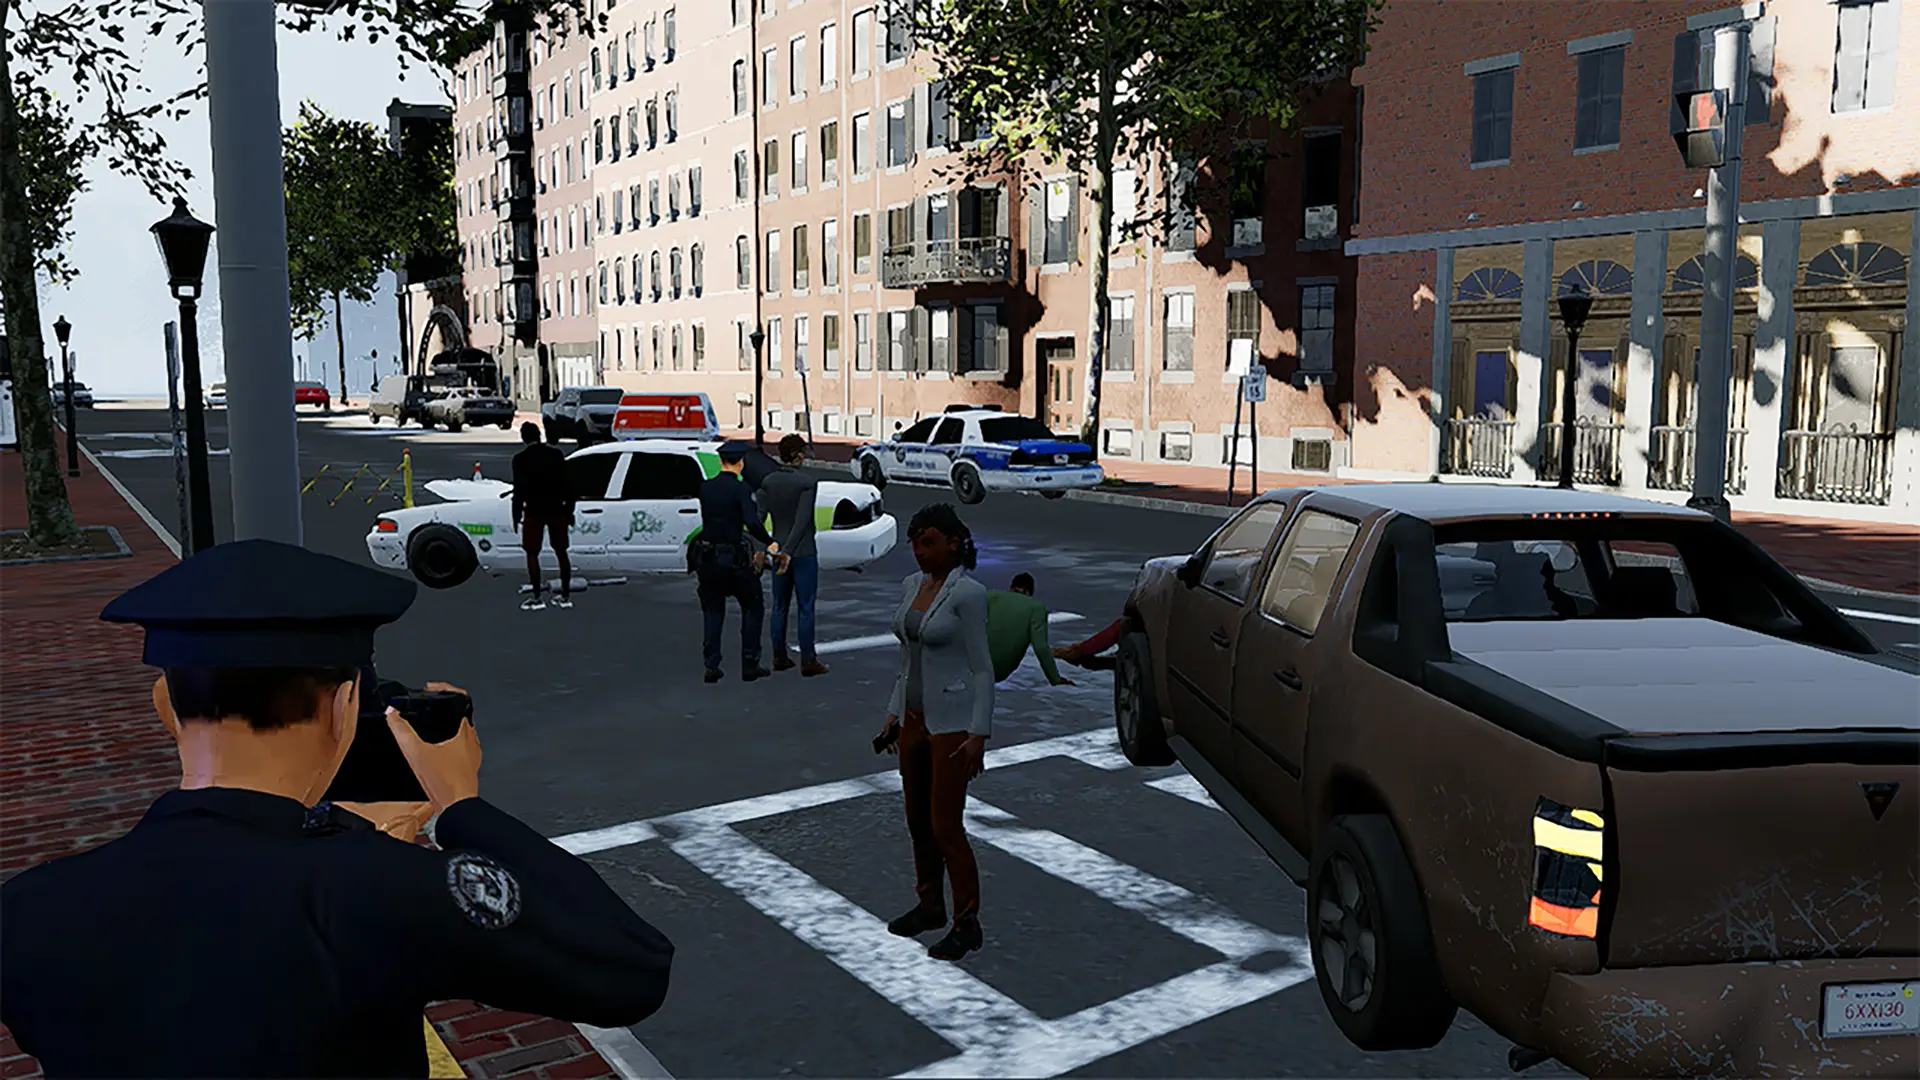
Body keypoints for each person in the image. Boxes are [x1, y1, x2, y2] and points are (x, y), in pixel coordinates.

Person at [0, 540, 674, 1078]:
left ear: (165, 706)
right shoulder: (373, 891)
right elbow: (629, 971)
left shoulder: (28, 908)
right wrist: (462, 807)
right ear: (345, 705)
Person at [876, 503, 994, 961]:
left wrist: (979, 732)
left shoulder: (969, 594)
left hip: (952, 725)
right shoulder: (912, 587)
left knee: (946, 826)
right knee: (916, 822)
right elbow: (908, 662)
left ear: (953, 542)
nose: (919, 553)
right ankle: (930, 906)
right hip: (913, 721)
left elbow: (982, 670)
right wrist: (892, 713)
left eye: (928, 543)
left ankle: (968, 924)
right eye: (914, 544)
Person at [694, 441, 772, 683]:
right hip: (734, 558)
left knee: (713, 610)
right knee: (753, 606)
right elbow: (752, 522)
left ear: (720, 461)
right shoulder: (741, 490)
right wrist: (769, 541)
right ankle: (750, 663)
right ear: (741, 462)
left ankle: (711, 664)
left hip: (707, 557)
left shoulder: (706, 487)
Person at [759, 434, 828, 677]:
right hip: (803, 552)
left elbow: (758, 519)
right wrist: (790, 549)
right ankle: (808, 660)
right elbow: (802, 521)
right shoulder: (806, 483)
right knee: (806, 607)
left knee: (779, 605)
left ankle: (779, 655)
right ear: (797, 454)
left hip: (779, 551)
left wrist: (771, 548)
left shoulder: (768, 482)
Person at [511, 421, 575, 610]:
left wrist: (516, 515)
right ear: (539, 435)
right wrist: (569, 510)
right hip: (557, 509)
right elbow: (567, 484)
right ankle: (565, 595)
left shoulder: (520, 459)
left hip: (533, 510)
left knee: (532, 553)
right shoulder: (556, 455)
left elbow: (519, 490)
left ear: (523, 438)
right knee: (562, 552)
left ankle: (537, 596)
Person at [986, 573, 1073, 686]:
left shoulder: (990, 596)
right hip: (999, 670)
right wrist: (1055, 679)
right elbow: (1041, 647)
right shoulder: (1036, 609)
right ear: (1030, 592)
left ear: (1011, 587)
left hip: (970, 661)